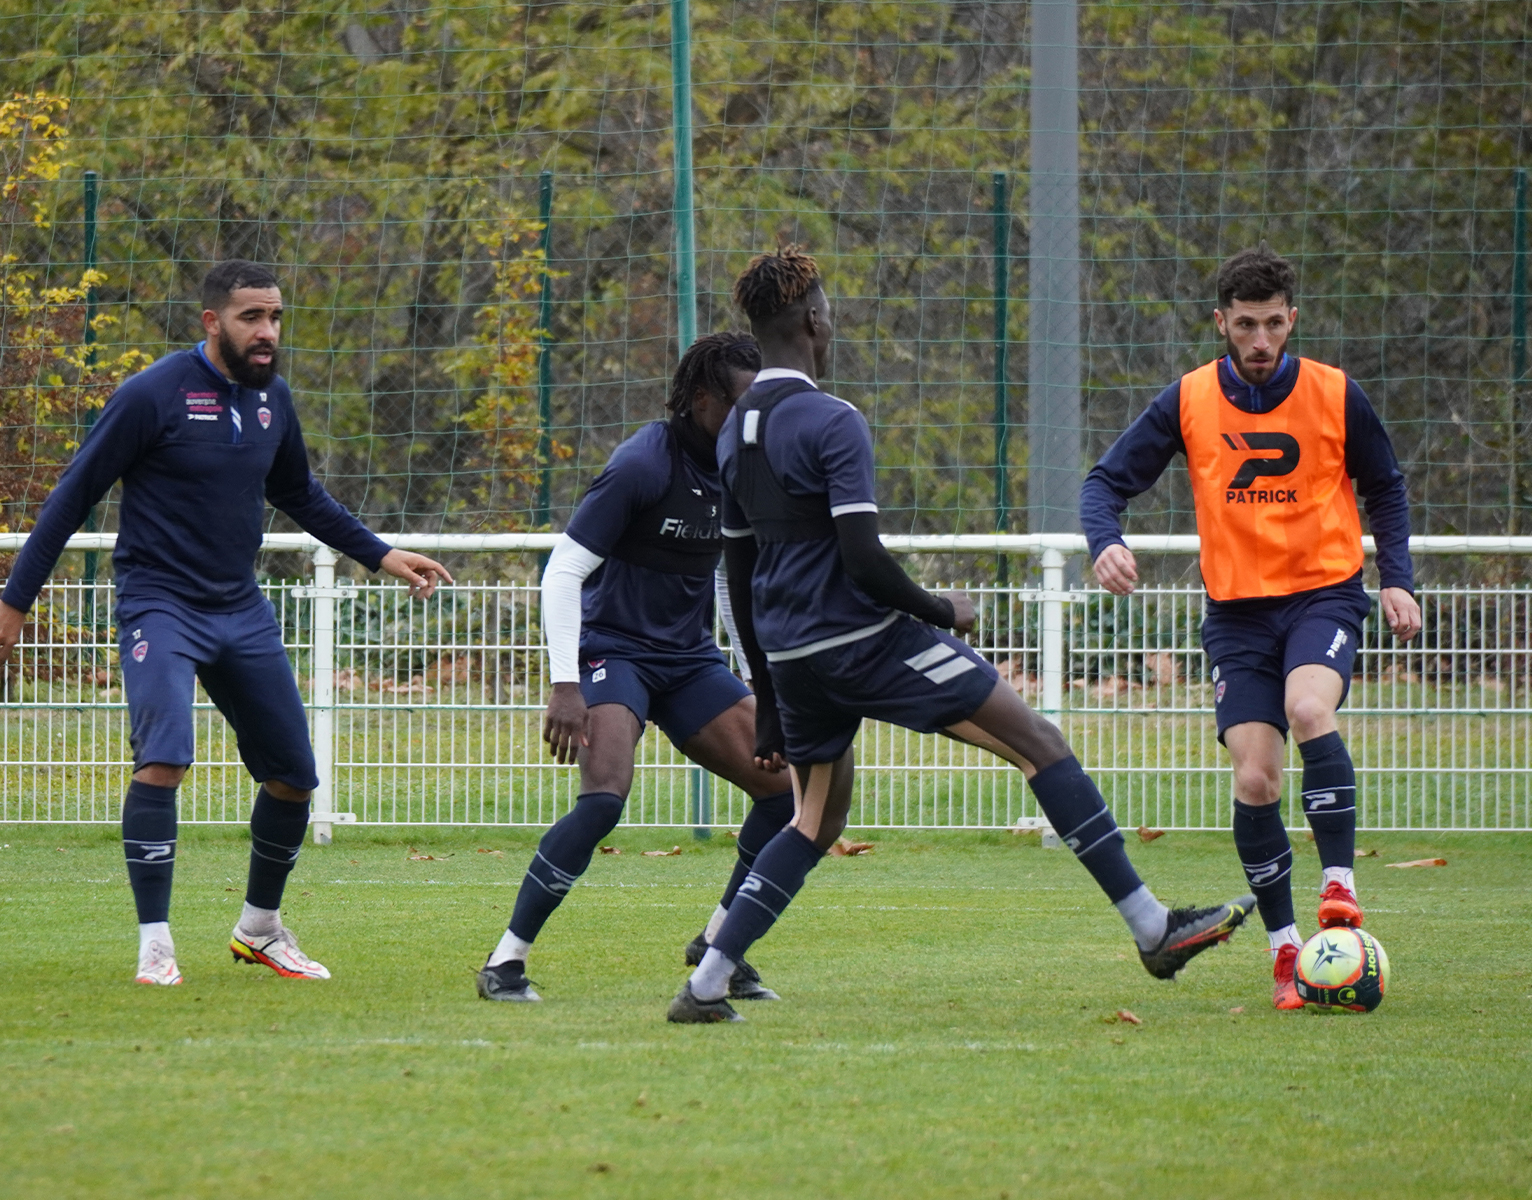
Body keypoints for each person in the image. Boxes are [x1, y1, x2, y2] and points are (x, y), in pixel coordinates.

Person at [668, 246, 1255, 1024]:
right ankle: (1152, 926)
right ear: (813, 321)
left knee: (813, 821)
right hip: (864, 641)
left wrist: (769, 695)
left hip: (790, 654)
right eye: (829, 313)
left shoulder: (734, 429)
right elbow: (863, 560)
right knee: (1038, 742)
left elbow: (738, 575)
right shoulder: (833, 420)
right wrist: (945, 611)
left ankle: (706, 984)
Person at [0, 259, 451, 987]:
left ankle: (260, 929)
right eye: (251, 317)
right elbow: (71, 496)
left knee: (294, 777)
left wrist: (380, 553)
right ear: (212, 322)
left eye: (274, 317)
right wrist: (13, 604)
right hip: (160, 605)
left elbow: (300, 493)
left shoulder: (274, 400)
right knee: (165, 757)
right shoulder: (154, 394)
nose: (267, 331)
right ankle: (155, 943)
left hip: (239, 608)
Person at [1080, 244, 1422, 1010]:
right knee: (1256, 776)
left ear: (1291, 319)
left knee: (1309, 710)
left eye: (1273, 324)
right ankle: (1287, 953)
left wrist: (1397, 578)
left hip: (1322, 598)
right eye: (1246, 325)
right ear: (1222, 325)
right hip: (1236, 616)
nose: (1261, 341)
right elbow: (1105, 482)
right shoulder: (1189, 398)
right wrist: (1105, 542)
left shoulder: (1336, 394)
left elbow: (1386, 487)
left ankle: (1339, 888)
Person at [474, 332, 796, 1003]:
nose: (751, 422)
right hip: (611, 651)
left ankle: (719, 946)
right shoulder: (642, 464)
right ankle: (505, 962)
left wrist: (762, 688)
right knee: (603, 800)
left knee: (786, 791)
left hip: (687, 659)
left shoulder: (743, 468)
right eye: (740, 406)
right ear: (702, 399)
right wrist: (565, 683)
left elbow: (737, 586)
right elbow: (563, 571)